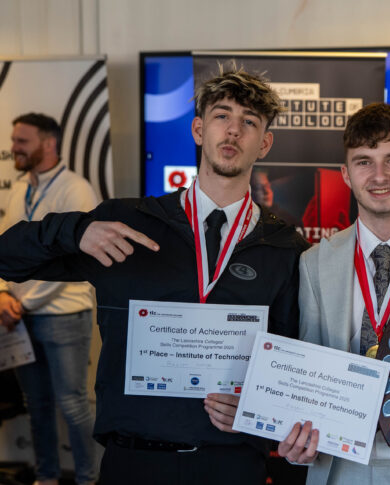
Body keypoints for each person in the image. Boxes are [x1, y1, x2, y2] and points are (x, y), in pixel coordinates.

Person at [0, 67, 309, 484]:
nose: (233, 131)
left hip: (230, 463)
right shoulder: (127, 224)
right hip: (135, 460)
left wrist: (260, 408)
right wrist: (75, 232)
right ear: (199, 129)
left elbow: (293, 357)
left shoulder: (285, 247)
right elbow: (8, 257)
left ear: (265, 143)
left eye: (249, 122)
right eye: (222, 116)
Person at [205, 103, 390, 484]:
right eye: (364, 162)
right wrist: (296, 436)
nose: (379, 176)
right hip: (340, 463)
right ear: (345, 174)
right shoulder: (314, 262)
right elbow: (307, 366)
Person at [0, 113, 98, 485]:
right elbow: (6, 249)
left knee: (72, 406)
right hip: (18, 317)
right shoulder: (17, 189)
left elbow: (74, 261)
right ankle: (46, 478)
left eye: (22, 141)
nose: (14, 148)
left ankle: (88, 479)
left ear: (48, 143)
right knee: (35, 406)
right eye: (14, 140)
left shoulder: (76, 189)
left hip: (63, 316)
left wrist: (22, 302)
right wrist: (3, 294)